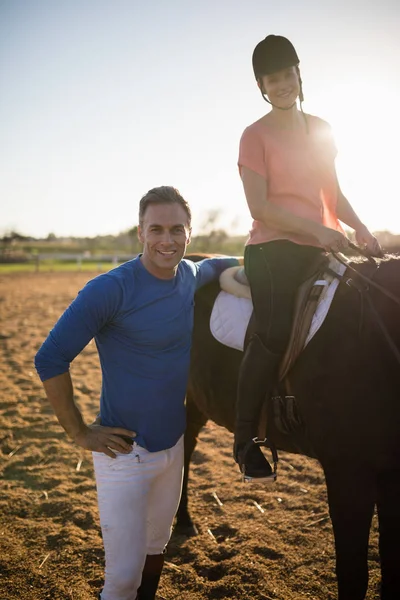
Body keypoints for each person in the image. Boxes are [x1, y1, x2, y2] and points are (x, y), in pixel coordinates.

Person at [35, 186, 240, 600]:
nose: (167, 240)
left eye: (177, 230)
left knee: (155, 551)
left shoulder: (190, 276)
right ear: (140, 233)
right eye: (157, 229)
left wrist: (260, 260)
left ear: (189, 233)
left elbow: (218, 265)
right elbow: (50, 359)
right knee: (123, 580)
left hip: (174, 449)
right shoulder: (110, 289)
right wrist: (80, 433)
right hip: (123, 455)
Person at [233, 34, 382, 482]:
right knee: (275, 332)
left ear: (299, 74)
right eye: (272, 78)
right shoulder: (253, 135)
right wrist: (317, 229)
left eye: (287, 74)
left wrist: (358, 225)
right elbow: (260, 207)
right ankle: (244, 440)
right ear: (262, 84)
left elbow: (332, 192)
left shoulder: (320, 128)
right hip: (272, 251)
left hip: (322, 244)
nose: (282, 84)